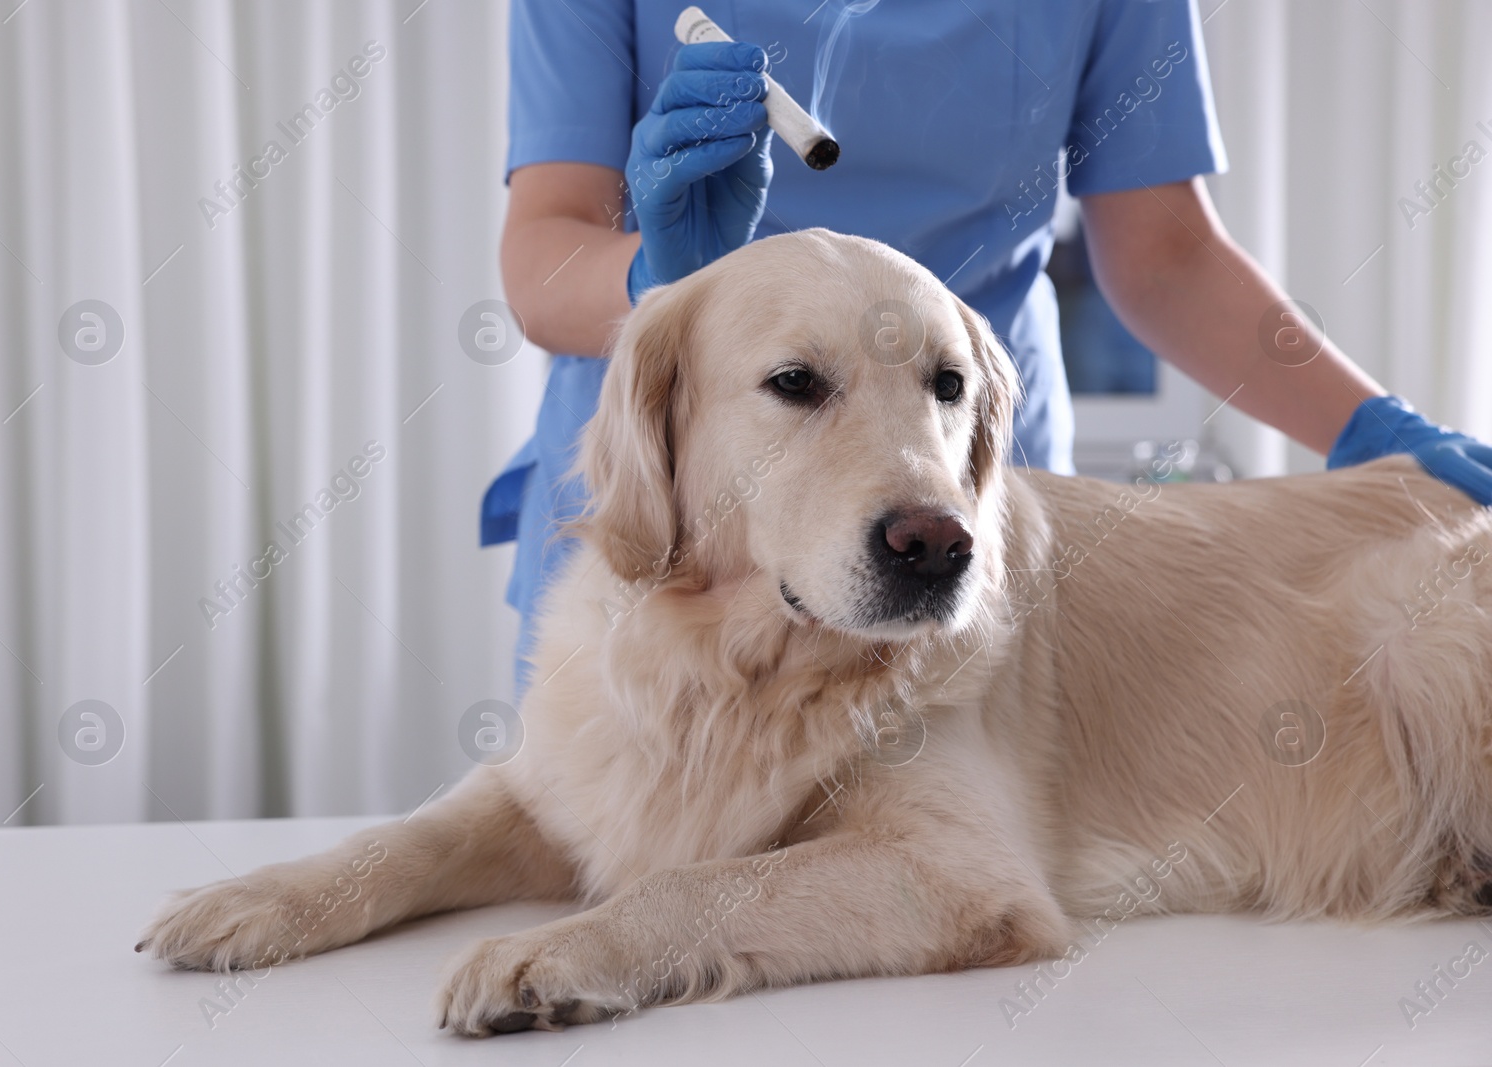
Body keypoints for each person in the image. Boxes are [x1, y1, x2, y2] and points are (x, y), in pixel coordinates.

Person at [482, 0, 1492, 695]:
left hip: (954, 503)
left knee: (944, 893)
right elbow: (541, 258)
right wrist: (658, 276)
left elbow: (1166, 256)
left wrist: (1367, 424)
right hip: (680, 521)